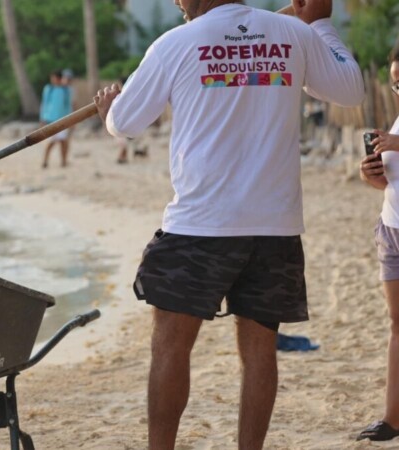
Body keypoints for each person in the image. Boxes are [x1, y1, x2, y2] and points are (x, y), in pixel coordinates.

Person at [93, 0, 364, 448]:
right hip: (273, 226)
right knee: (259, 352)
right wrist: (319, 23)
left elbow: (127, 124)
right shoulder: (291, 33)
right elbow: (350, 89)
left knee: (170, 346)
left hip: (201, 224)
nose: (178, 3)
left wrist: (108, 110)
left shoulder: (174, 44)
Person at [357, 48, 399, 442]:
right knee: (396, 325)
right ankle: (392, 419)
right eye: (395, 81)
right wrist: (373, 177)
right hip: (391, 229)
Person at [40, 70, 73, 168]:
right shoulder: (48, 89)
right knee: (51, 142)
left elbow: (68, 105)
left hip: (63, 120)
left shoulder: (66, 90)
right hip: (50, 119)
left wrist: (71, 119)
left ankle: (64, 161)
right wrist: (42, 118)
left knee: (63, 141)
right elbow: (44, 104)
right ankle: (45, 160)